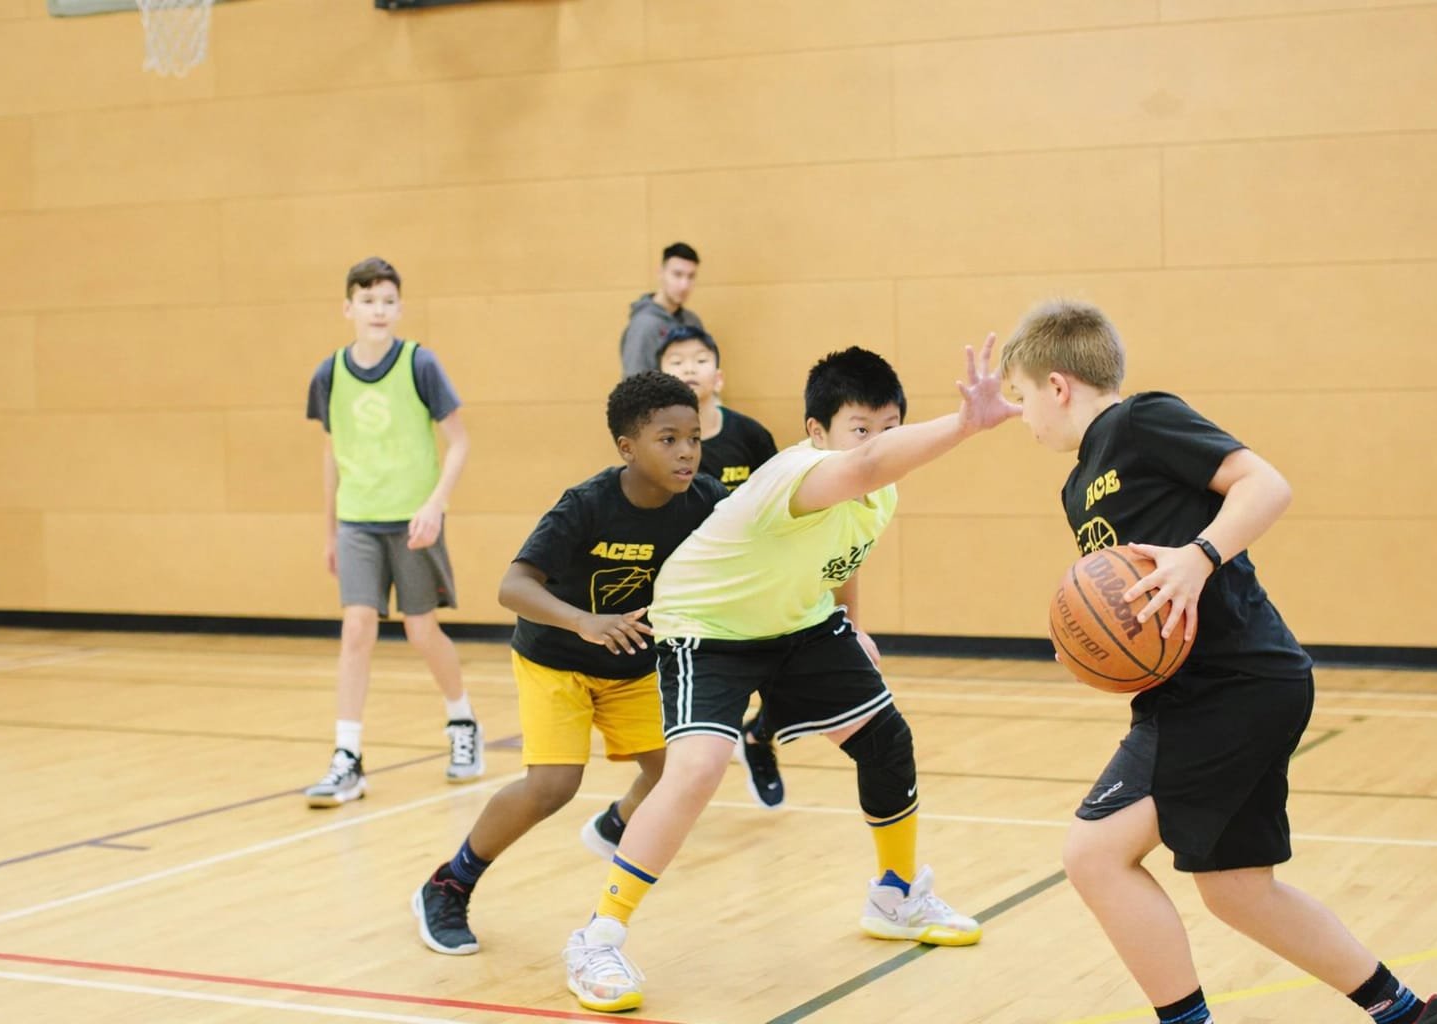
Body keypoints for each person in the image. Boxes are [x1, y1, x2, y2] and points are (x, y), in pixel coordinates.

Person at [998, 299, 1437, 1024]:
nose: (1022, 419)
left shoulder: (1141, 420)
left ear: (1057, 386)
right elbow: (1128, 607)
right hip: (1215, 689)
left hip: (1233, 681)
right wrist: (1091, 647)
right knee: (1238, 889)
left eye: (1021, 397)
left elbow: (1266, 484)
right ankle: (1410, 1015)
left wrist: (1200, 555)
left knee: (1094, 856)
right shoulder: (1075, 485)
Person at [559, 339, 1020, 1013]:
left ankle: (896, 895)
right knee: (696, 768)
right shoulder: (797, 471)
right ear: (817, 432)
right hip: (707, 626)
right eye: (862, 429)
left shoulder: (877, 494)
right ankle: (597, 937)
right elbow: (861, 467)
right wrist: (963, 424)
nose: (880, 445)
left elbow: (842, 552)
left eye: (892, 429)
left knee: (885, 739)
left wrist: (851, 625)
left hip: (797, 622)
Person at [411, 372, 727, 956]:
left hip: (631, 665)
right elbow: (513, 586)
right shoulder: (587, 505)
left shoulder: (705, 500)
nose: (686, 451)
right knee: (553, 784)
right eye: (668, 439)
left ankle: (614, 826)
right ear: (627, 448)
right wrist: (584, 620)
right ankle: (449, 882)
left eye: (693, 438)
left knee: (675, 774)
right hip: (556, 659)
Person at [302, 257, 482, 808]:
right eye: (367, 300)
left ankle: (462, 723)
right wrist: (330, 531)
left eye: (386, 301)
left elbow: (460, 442)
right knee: (357, 628)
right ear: (348, 307)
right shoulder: (329, 373)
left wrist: (435, 506)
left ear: (399, 308)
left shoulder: (420, 364)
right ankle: (348, 756)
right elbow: (332, 454)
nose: (377, 310)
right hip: (358, 518)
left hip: (414, 520)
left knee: (421, 629)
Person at [655, 323, 789, 808]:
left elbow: (782, 500)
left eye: (698, 359)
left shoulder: (749, 435)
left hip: (756, 582)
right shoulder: (655, 444)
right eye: (675, 361)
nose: (689, 368)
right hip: (690, 594)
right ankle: (667, 792)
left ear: (720, 374)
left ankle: (758, 738)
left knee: (791, 677)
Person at [619, 242, 704, 378]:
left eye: (691, 276)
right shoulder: (644, 325)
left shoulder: (692, 321)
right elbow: (634, 386)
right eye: (677, 274)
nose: (684, 285)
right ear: (661, 273)